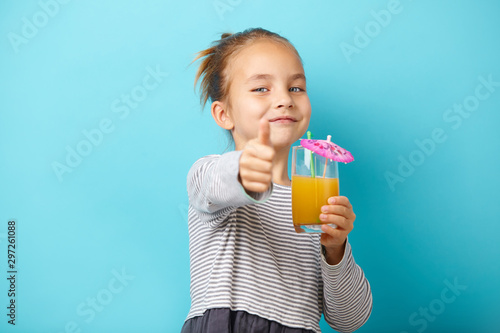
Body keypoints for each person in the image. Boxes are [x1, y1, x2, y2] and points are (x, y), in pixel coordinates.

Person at [181, 28, 372, 333]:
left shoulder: (314, 202)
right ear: (223, 114)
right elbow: (212, 182)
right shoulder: (214, 177)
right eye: (261, 89)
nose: (284, 99)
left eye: (296, 88)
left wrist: (335, 249)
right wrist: (246, 172)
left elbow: (350, 319)